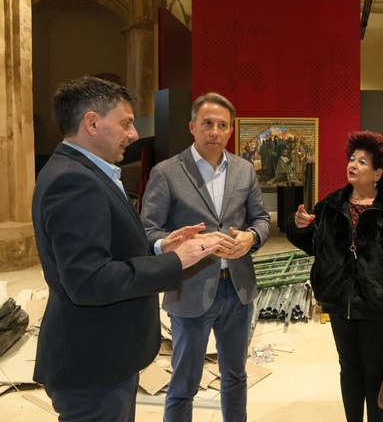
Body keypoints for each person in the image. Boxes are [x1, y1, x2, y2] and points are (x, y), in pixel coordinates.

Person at [32, 76, 221, 422]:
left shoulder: (83, 172)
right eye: (126, 123)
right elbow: (89, 280)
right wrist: (174, 261)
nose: (134, 135)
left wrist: (161, 243)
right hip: (95, 364)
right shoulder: (74, 181)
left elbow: (107, 247)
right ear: (92, 122)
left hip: (106, 358)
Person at [141, 92, 270, 422]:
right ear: (192, 127)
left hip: (238, 291)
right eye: (207, 124)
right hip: (190, 290)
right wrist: (177, 244)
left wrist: (251, 237)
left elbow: (262, 219)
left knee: (235, 377)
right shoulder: (167, 172)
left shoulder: (243, 170)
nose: (214, 131)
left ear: (231, 130)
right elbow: (147, 231)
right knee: (184, 383)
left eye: (222, 125)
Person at [286, 131, 383, 422]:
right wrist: (299, 225)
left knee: (375, 370)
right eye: (352, 159)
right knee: (349, 369)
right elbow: (311, 243)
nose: (353, 164)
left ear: (378, 173)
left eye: (362, 161)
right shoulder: (331, 204)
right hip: (340, 303)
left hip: (379, 305)